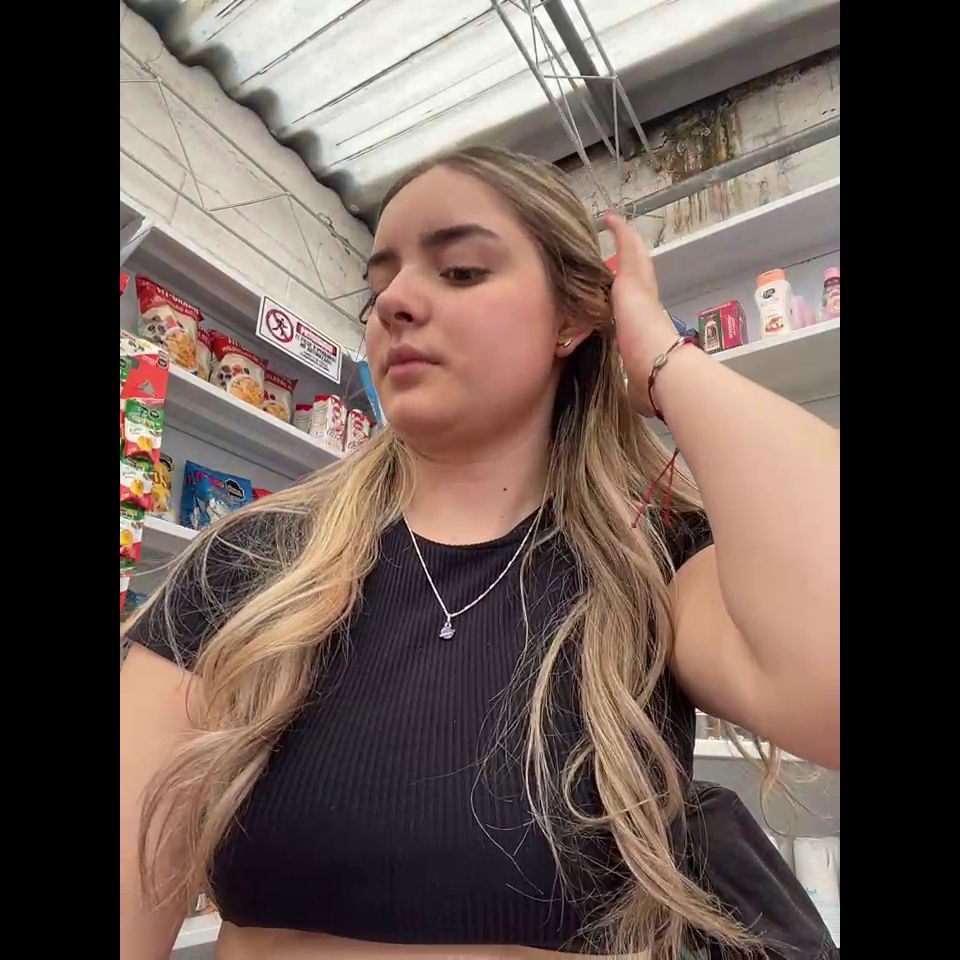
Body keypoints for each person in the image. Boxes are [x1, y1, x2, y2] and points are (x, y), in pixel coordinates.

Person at [120, 147, 840, 960]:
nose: (395, 302)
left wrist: (664, 359)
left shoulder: (652, 562)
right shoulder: (251, 563)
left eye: (460, 271)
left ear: (572, 320)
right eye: (377, 287)